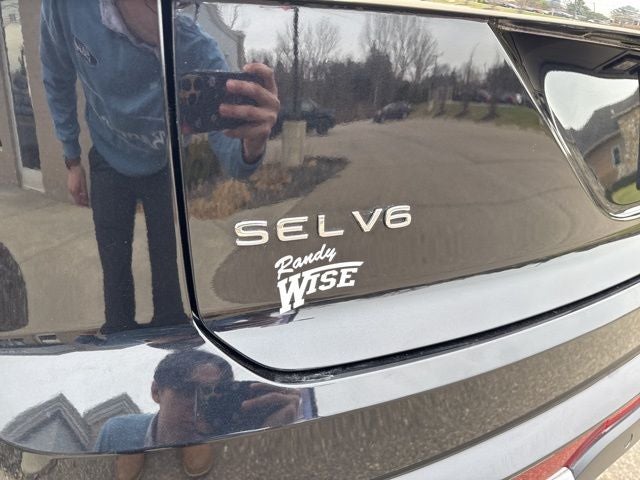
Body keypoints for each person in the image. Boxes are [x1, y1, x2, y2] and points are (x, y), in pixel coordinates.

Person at [40, 0, 279, 334]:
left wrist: (253, 143)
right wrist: (72, 159)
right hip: (108, 156)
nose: (167, 9)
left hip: (165, 166)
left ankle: (170, 351)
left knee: (169, 283)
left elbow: (235, 160)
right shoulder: (68, 7)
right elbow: (57, 74)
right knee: (114, 280)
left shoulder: (194, 47)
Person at [96, 350, 307, 479]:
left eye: (213, 396)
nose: (198, 408)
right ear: (156, 391)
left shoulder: (238, 443)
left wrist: (273, 441)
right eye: (187, 392)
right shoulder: (117, 433)